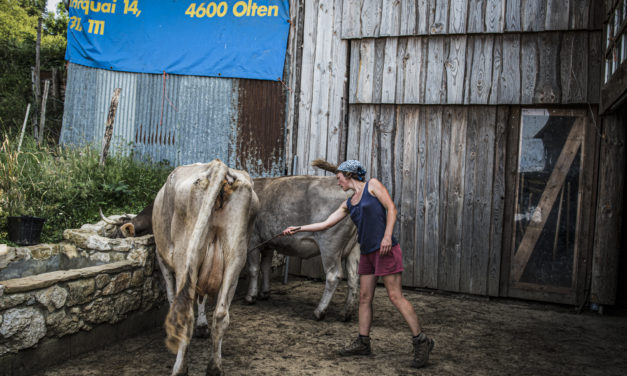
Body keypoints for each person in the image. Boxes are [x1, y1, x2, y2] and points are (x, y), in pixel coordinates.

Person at [282, 159, 434, 369]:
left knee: (395, 297)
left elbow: (391, 209)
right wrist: (297, 228)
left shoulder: (373, 185)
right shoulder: (349, 203)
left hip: (386, 250)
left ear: (349, 175)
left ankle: (421, 341)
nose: (338, 183)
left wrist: (387, 236)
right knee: (364, 298)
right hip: (368, 254)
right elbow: (326, 223)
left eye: (339, 178)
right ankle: (363, 342)